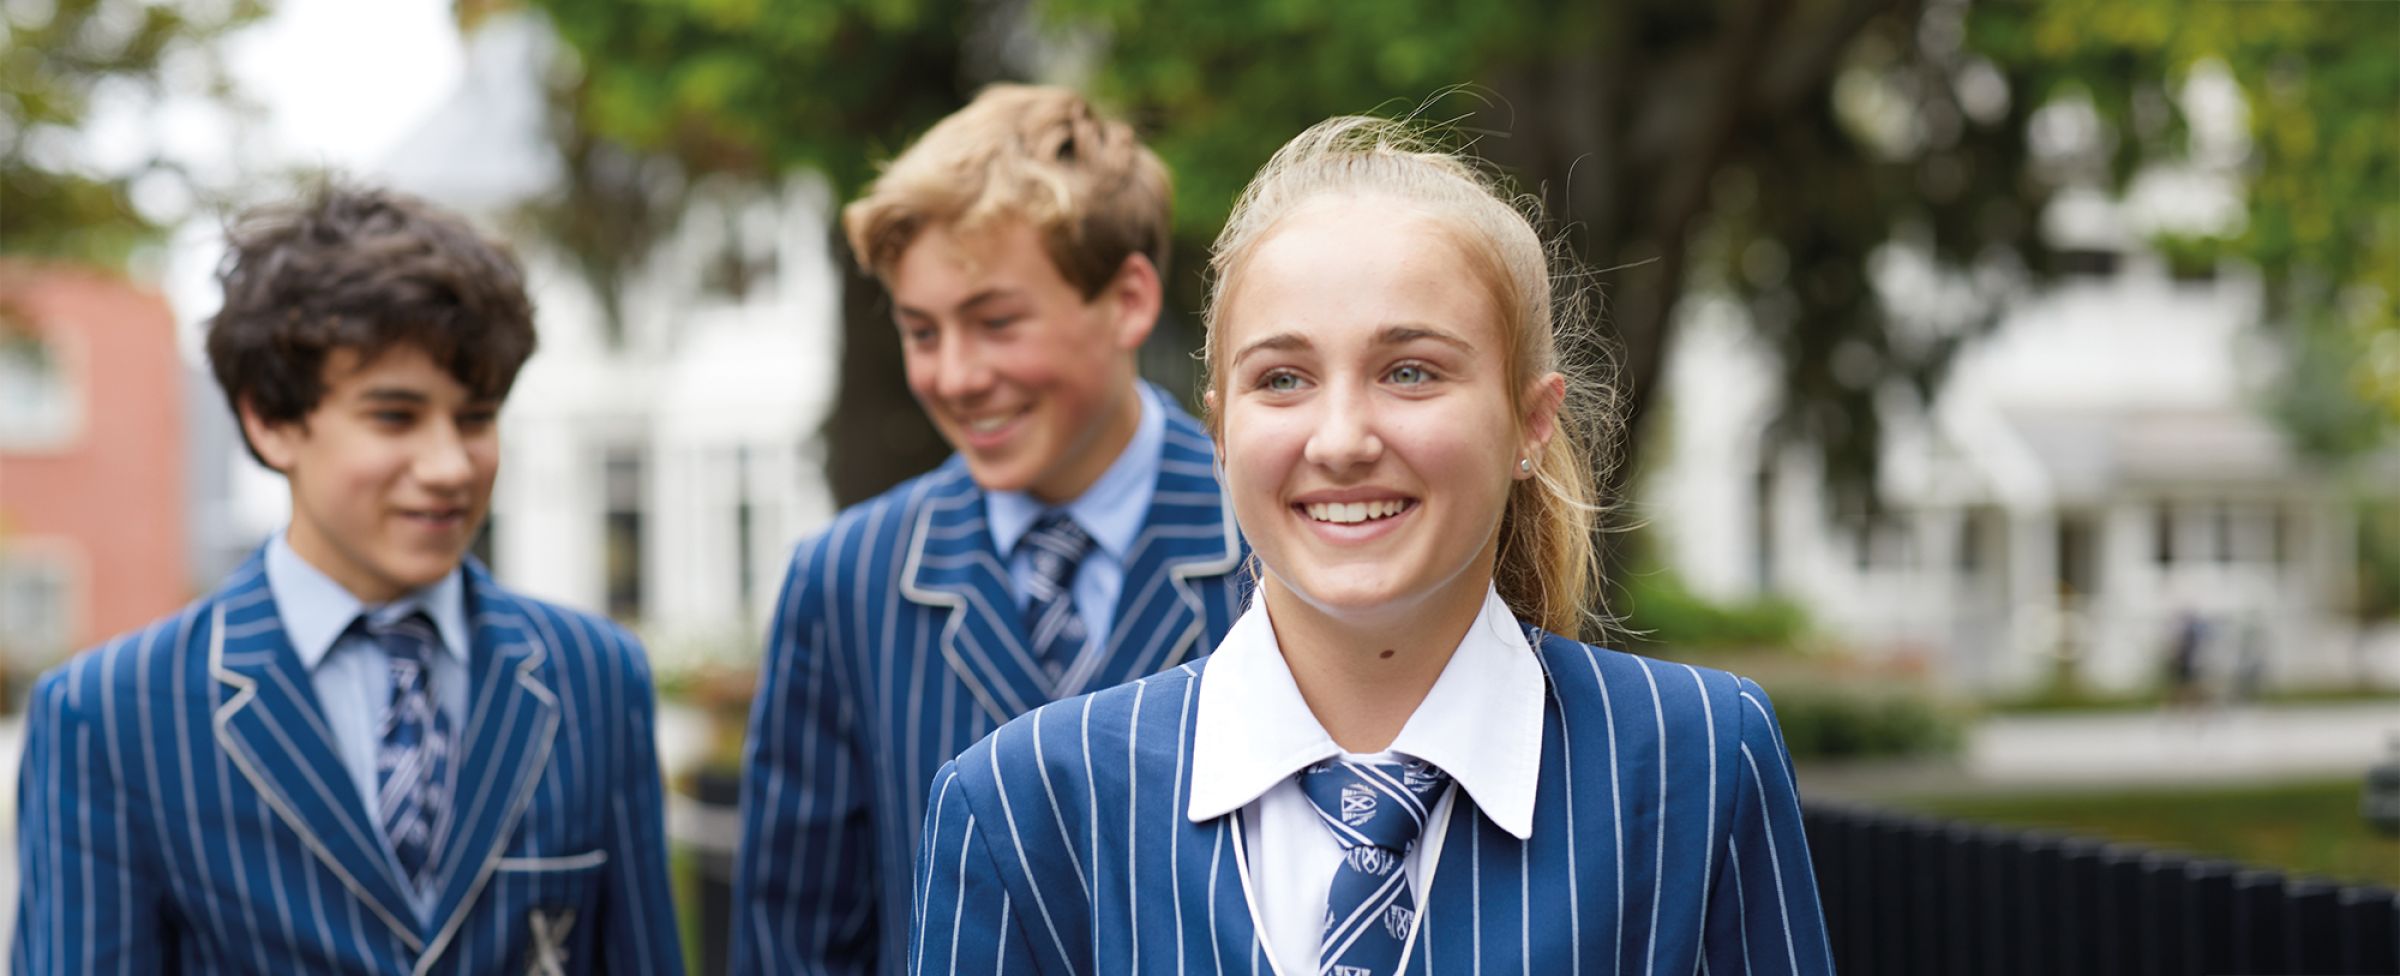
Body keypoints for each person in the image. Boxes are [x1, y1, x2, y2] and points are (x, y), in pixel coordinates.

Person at [911, 116, 1835, 974]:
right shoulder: (1024, 807)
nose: (1342, 438)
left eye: (1409, 371)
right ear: (1222, 431)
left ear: (1529, 422)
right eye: (1283, 378)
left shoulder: (1700, 765)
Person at [10, 185, 685, 974]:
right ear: (270, 420)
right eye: (394, 417)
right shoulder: (109, 716)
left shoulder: (595, 679)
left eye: (476, 418)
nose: (448, 467)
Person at [732, 85, 1247, 975]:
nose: (957, 375)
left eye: (996, 322)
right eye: (921, 332)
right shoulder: (848, 578)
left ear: (1128, 299)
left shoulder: (1268, 545)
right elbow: (796, 945)